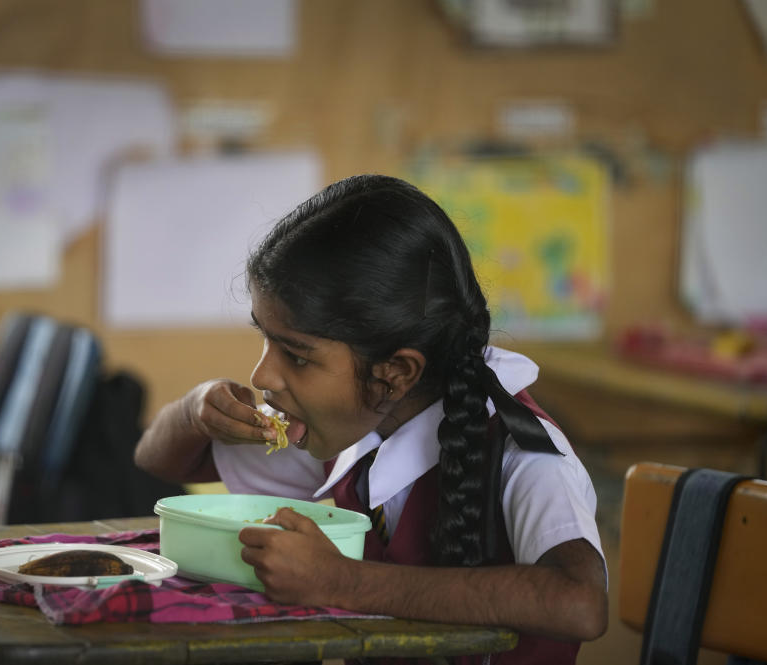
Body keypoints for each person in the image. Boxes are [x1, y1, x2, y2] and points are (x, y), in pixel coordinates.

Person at [134, 174, 608, 664]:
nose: (262, 375)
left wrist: (342, 581)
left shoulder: (523, 451)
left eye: (296, 355)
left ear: (396, 373)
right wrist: (195, 412)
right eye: (265, 339)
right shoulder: (351, 431)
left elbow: (580, 602)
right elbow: (162, 460)